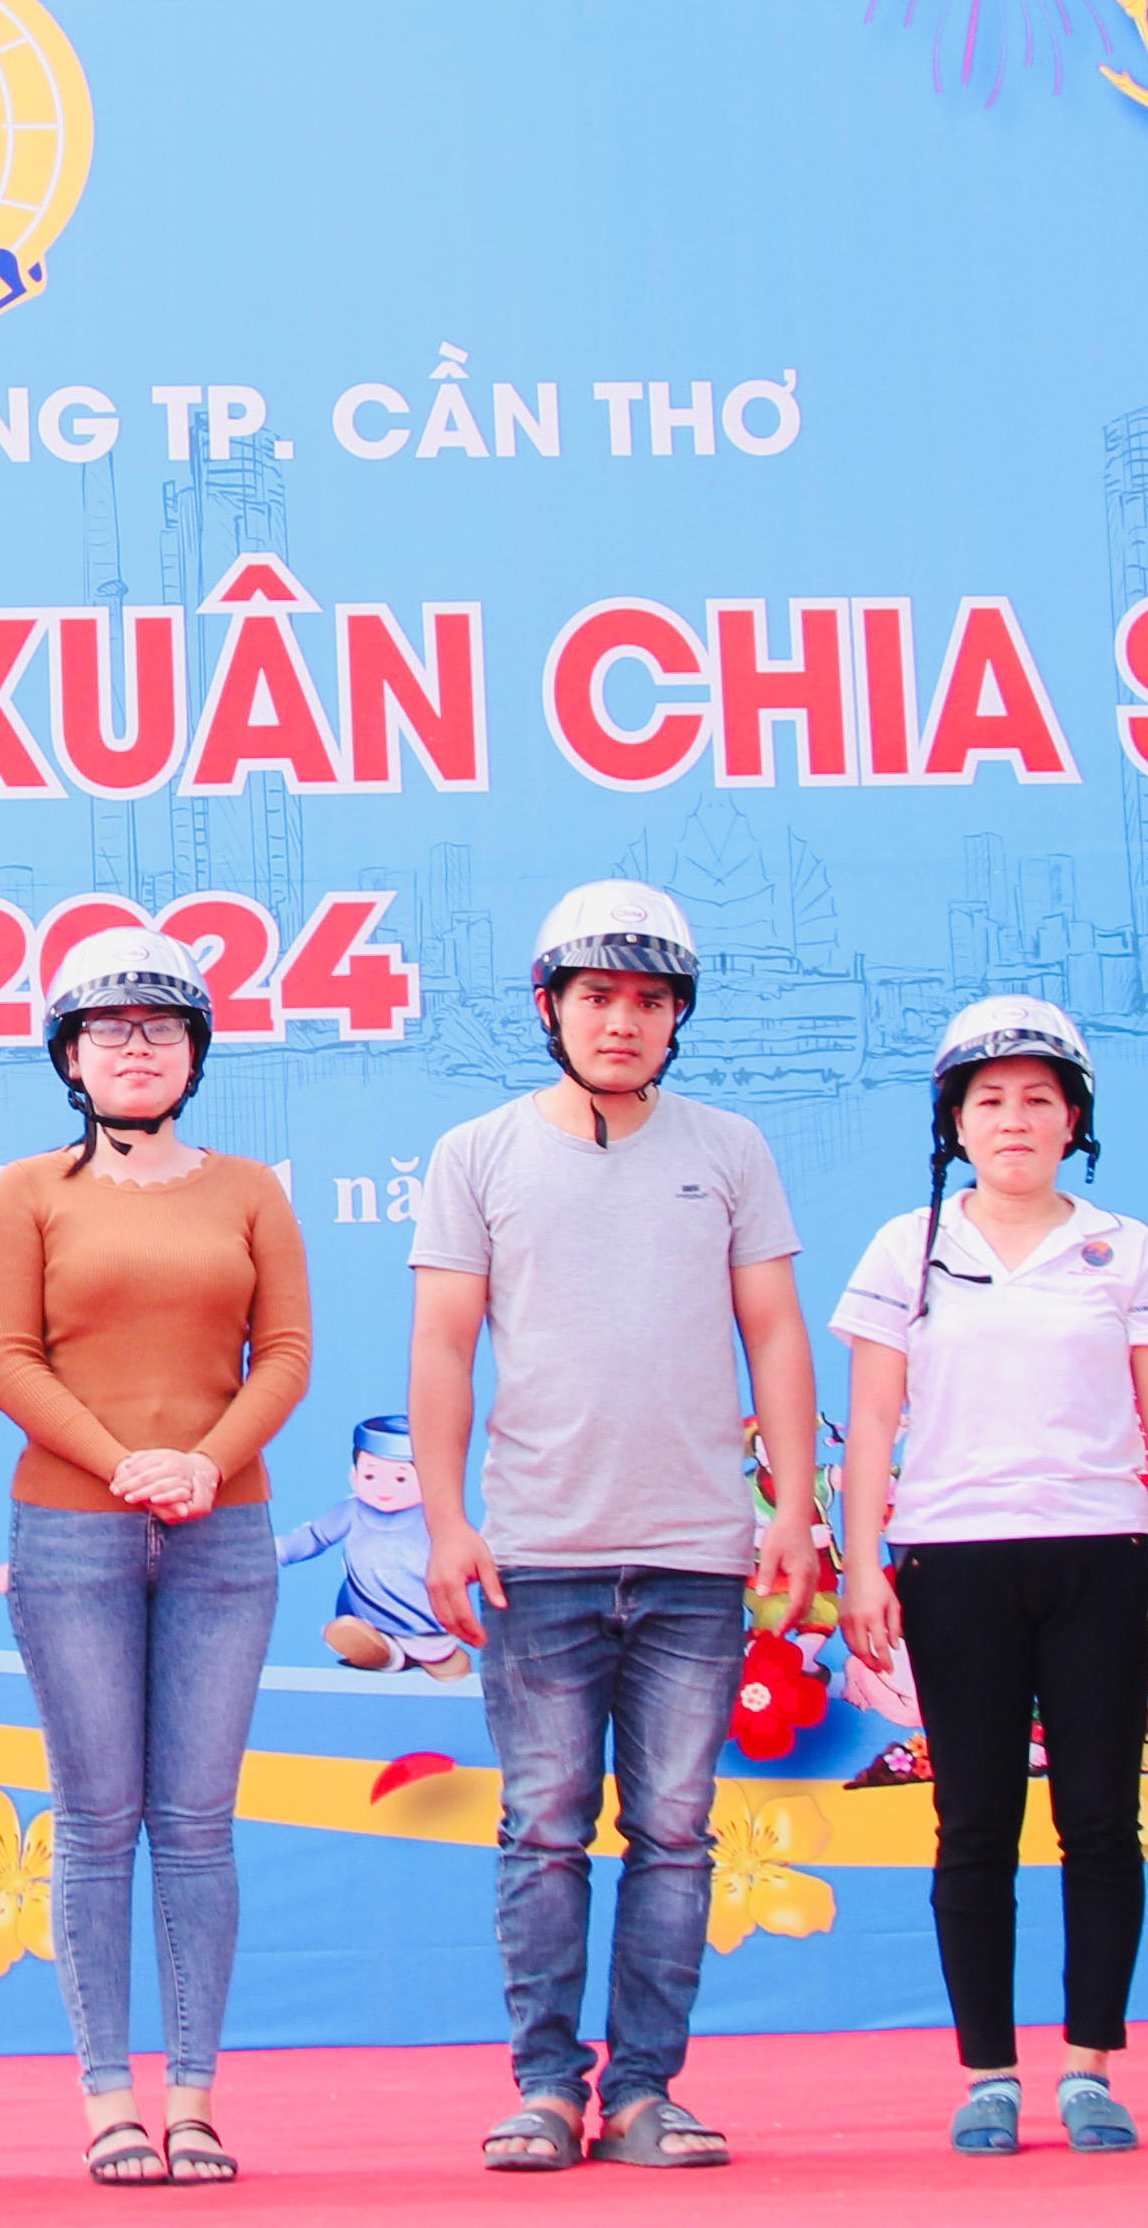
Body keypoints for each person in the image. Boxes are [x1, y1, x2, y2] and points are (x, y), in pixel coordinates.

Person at [409, 881, 817, 2173]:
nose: (622, 1021)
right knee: (541, 1829)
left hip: (697, 1555)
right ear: (549, 1006)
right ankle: (543, 2086)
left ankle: (643, 2091)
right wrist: (444, 1520)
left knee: (675, 1834)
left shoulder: (729, 1147)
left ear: (678, 1015)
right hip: (536, 1554)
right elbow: (442, 1343)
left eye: (648, 999)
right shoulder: (476, 1152)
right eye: (596, 996)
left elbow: (773, 1332)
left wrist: (792, 1506)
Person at [831, 998, 1148, 2158]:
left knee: (1098, 1821)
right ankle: (986, 2074)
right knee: (972, 1824)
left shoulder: (1123, 1247)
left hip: (1099, 1561)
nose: (1012, 1119)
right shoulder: (906, 1246)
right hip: (951, 1565)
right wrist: (862, 1565)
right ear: (952, 1119)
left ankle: (1089, 2067)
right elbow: (872, 1419)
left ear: (1072, 1119)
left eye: (1037, 1098)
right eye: (986, 1098)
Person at [0, 928, 307, 2191]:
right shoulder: (27, 1190)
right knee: (95, 1818)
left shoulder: (249, 1190)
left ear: (193, 1054)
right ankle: (108, 2097)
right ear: (67, 1055)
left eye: (159, 1028)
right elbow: (5, 1357)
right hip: (70, 1531)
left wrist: (204, 1464)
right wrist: (123, 1463)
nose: (132, 1047)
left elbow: (284, 1354)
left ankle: (195, 2099)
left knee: (198, 1824)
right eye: (105, 1029)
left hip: (222, 1534)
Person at [277, 1416, 466, 1677]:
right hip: (366, 1612)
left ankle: (432, 1652)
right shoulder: (351, 1511)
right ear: (354, 1477)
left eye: (400, 1479)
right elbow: (315, 1536)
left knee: (434, 1648)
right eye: (370, 1475)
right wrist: (276, 1552)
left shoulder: (435, 1518)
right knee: (358, 1629)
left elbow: (459, 1552)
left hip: (421, 1616)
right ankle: (384, 1652)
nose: (383, 1488)